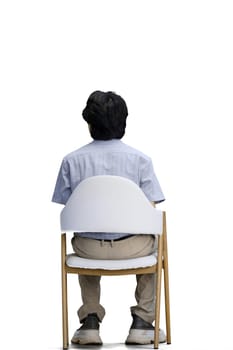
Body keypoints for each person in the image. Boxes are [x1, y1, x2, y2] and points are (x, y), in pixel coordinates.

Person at [52, 90, 166, 345]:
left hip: (87, 251)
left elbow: (68, 207)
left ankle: (89, 323)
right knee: (158, 243)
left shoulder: (71, 161)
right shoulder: (141, 160)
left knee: (82, 232)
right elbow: (151, 206)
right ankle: (143, 323)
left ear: (89, 123)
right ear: (124, 123)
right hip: (133, 249)